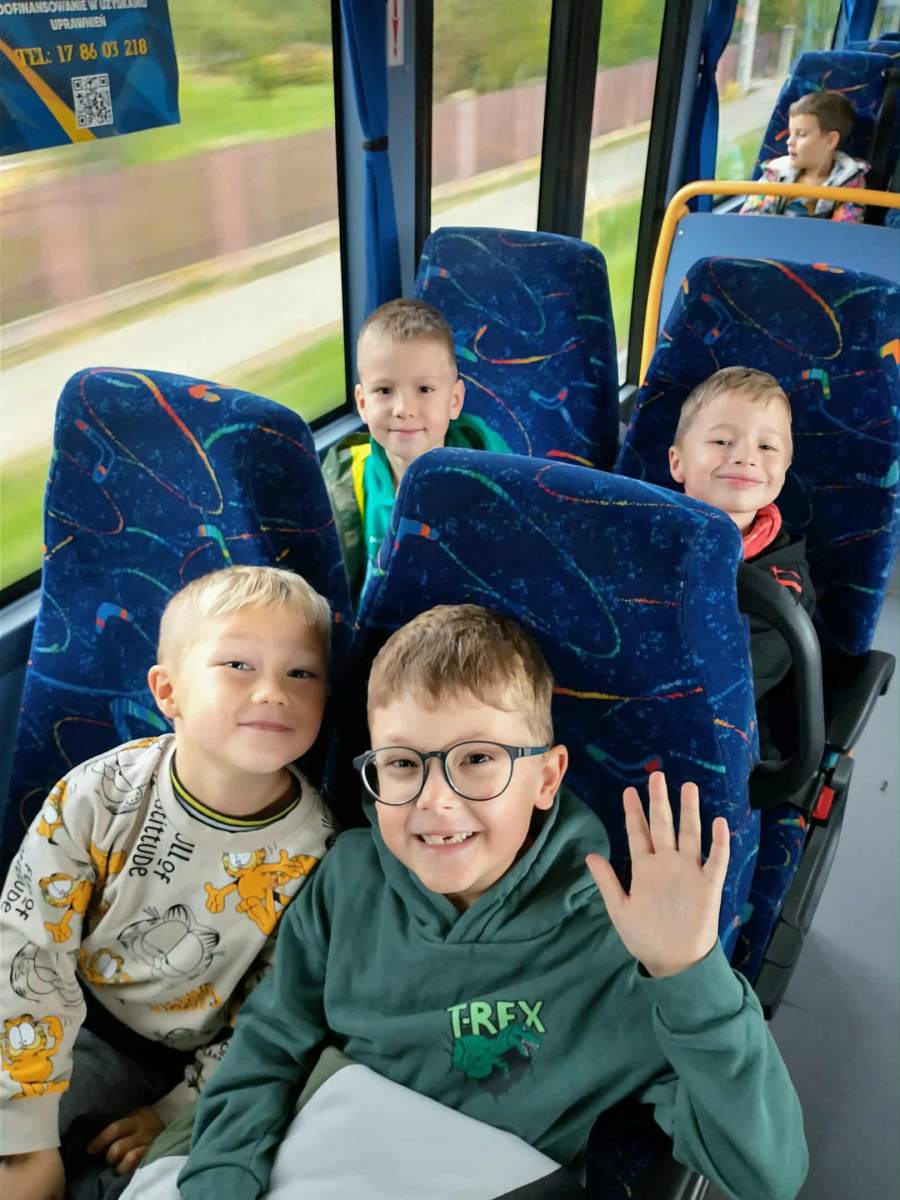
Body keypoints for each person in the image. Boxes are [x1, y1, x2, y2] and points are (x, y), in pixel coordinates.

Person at [177, 604, 808, 1200]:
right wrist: (222, 1177)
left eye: (478, 758)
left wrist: (689, 974)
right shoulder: (349, 877)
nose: (435, 798)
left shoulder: (623, 946)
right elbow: (271, 1041)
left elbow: (766, 1173)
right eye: (402, 763)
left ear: (546, 778)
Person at [0, 566, 336, 1200]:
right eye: (238, 665)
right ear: (169, 691)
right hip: (53, 1004)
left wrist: (180, 1107)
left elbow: (277, 1008)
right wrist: (25, 1132)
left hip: (156, 1059)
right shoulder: (99, 794)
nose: (273, 692)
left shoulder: (319, 855)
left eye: (302, 673)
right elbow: (28, 948)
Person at [322, 298, 509, 603]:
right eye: (384, 390)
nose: (403, 409)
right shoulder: (348, 481)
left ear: (454, 401)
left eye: (424, 389)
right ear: (362, 403)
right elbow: (336, 591)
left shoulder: (495, 471)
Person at [668, 367, 815, 750]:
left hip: (724, 737)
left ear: (784, 471)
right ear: (677, 462)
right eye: (721, 440)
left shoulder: (782, 582)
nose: (746, 457)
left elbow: (735, 681)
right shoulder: (639, 533)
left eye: (767, 447)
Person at [740, 90, 867, 222]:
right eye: (790, 134)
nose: (789, 141)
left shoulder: (850, 182)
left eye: (801, 134)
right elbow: (751, 220)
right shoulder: (776, 174)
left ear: (830, 140)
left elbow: (844, 229)